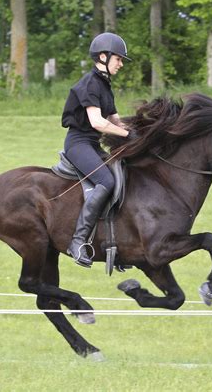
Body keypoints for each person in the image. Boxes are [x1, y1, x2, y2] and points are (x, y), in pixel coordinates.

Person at [61, 32, 135, 268]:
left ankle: (117, 245)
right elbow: (98, 122)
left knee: (124, 177)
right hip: (78, 143)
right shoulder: (89, 84)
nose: (121, 64)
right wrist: (128, 135)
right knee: (107, 181)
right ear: (103, 56)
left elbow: (115, 120)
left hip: (92, 144)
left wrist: (139, 135)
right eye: (119, 59)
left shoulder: (104, 84)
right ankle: (77, 242)